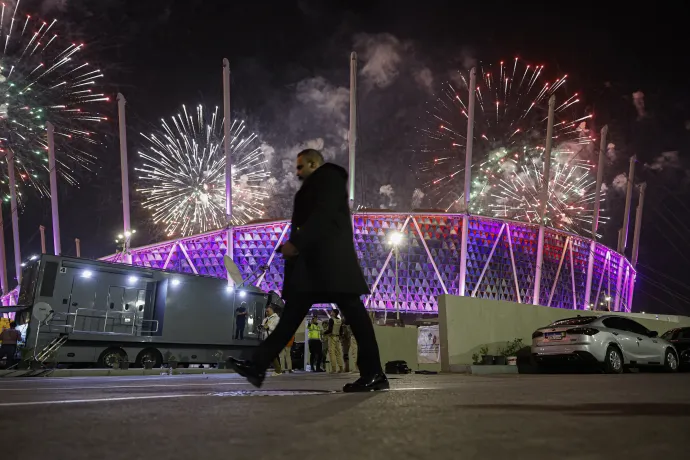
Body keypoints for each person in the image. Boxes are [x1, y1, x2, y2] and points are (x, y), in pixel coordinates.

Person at [229, 148, 388, 392]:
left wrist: (297, 243)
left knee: (354, 314)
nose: (297, 172)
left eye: (301, 166)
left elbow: (322, 215)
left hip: (330, 264)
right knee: (294, 315)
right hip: (315, 266)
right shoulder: (318, 183)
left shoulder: (328, 178)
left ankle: (374, 373)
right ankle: (256, 364)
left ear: (314, 163)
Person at [260, 306, 282, 374]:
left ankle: (278, 370)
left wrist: (267, 327)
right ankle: (277, 370)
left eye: (268, 311)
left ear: (272, 311)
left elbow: (275, 328)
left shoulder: (277, 318)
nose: (267, 313)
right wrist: (260, 328)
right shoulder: (265, 319)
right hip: (265, 338)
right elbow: (263, 329)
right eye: (266, 311)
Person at [324, 309, 344, 373]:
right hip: (337, 338)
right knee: (338, 353)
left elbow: (330, 330)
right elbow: (341, 331)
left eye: (332, 312)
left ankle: (334, 368)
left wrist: (324, 333)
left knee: (332, 353)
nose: (331, 312)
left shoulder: (331, 320)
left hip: (332, 337)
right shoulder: (339, 320)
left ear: (334, 313)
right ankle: (341, 368)